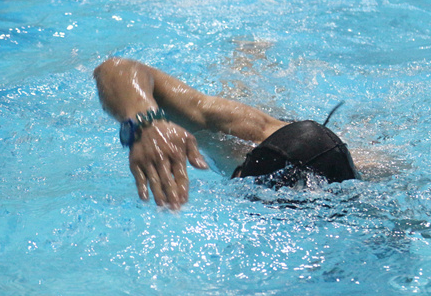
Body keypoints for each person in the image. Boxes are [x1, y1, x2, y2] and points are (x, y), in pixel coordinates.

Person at [93, 57, 360, 209]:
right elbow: (116, 68)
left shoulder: (362, 176)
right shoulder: (237, 139)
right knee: (241, 82)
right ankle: (249, 52)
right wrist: (146, 123)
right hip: (260, 125)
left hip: (326, 145)